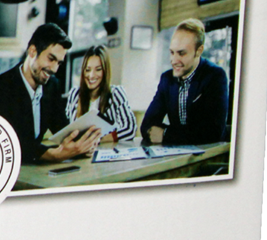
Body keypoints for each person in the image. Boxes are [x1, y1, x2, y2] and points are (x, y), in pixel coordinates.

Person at [0, 23, 102, 163]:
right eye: (51, 59)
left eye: (59, 63)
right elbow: (8, 142)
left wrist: (81, 145)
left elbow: (61, 128)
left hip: (36, 167)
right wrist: (54, 154)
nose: (54, 69)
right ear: (32, 51)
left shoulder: (52, 85)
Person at [141, 18, 229, 146]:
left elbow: (212, 132)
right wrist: (182, 134)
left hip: (209, 153)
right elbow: (147, 125)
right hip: (178, 152)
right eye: (172, 52)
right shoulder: (167, 79)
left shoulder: (215, 76)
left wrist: (166, 134)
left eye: (181, 54)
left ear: (199, 51)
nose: (174, 60)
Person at [63, 45, 137, 142]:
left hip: (107, 149)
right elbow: (68, 129)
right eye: (88, 70)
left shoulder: (116, 93)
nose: (91, 76)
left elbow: (130, 129)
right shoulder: (74, 94)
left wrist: (100, 139)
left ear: (105, 71)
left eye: (98, 69)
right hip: (79, 150)